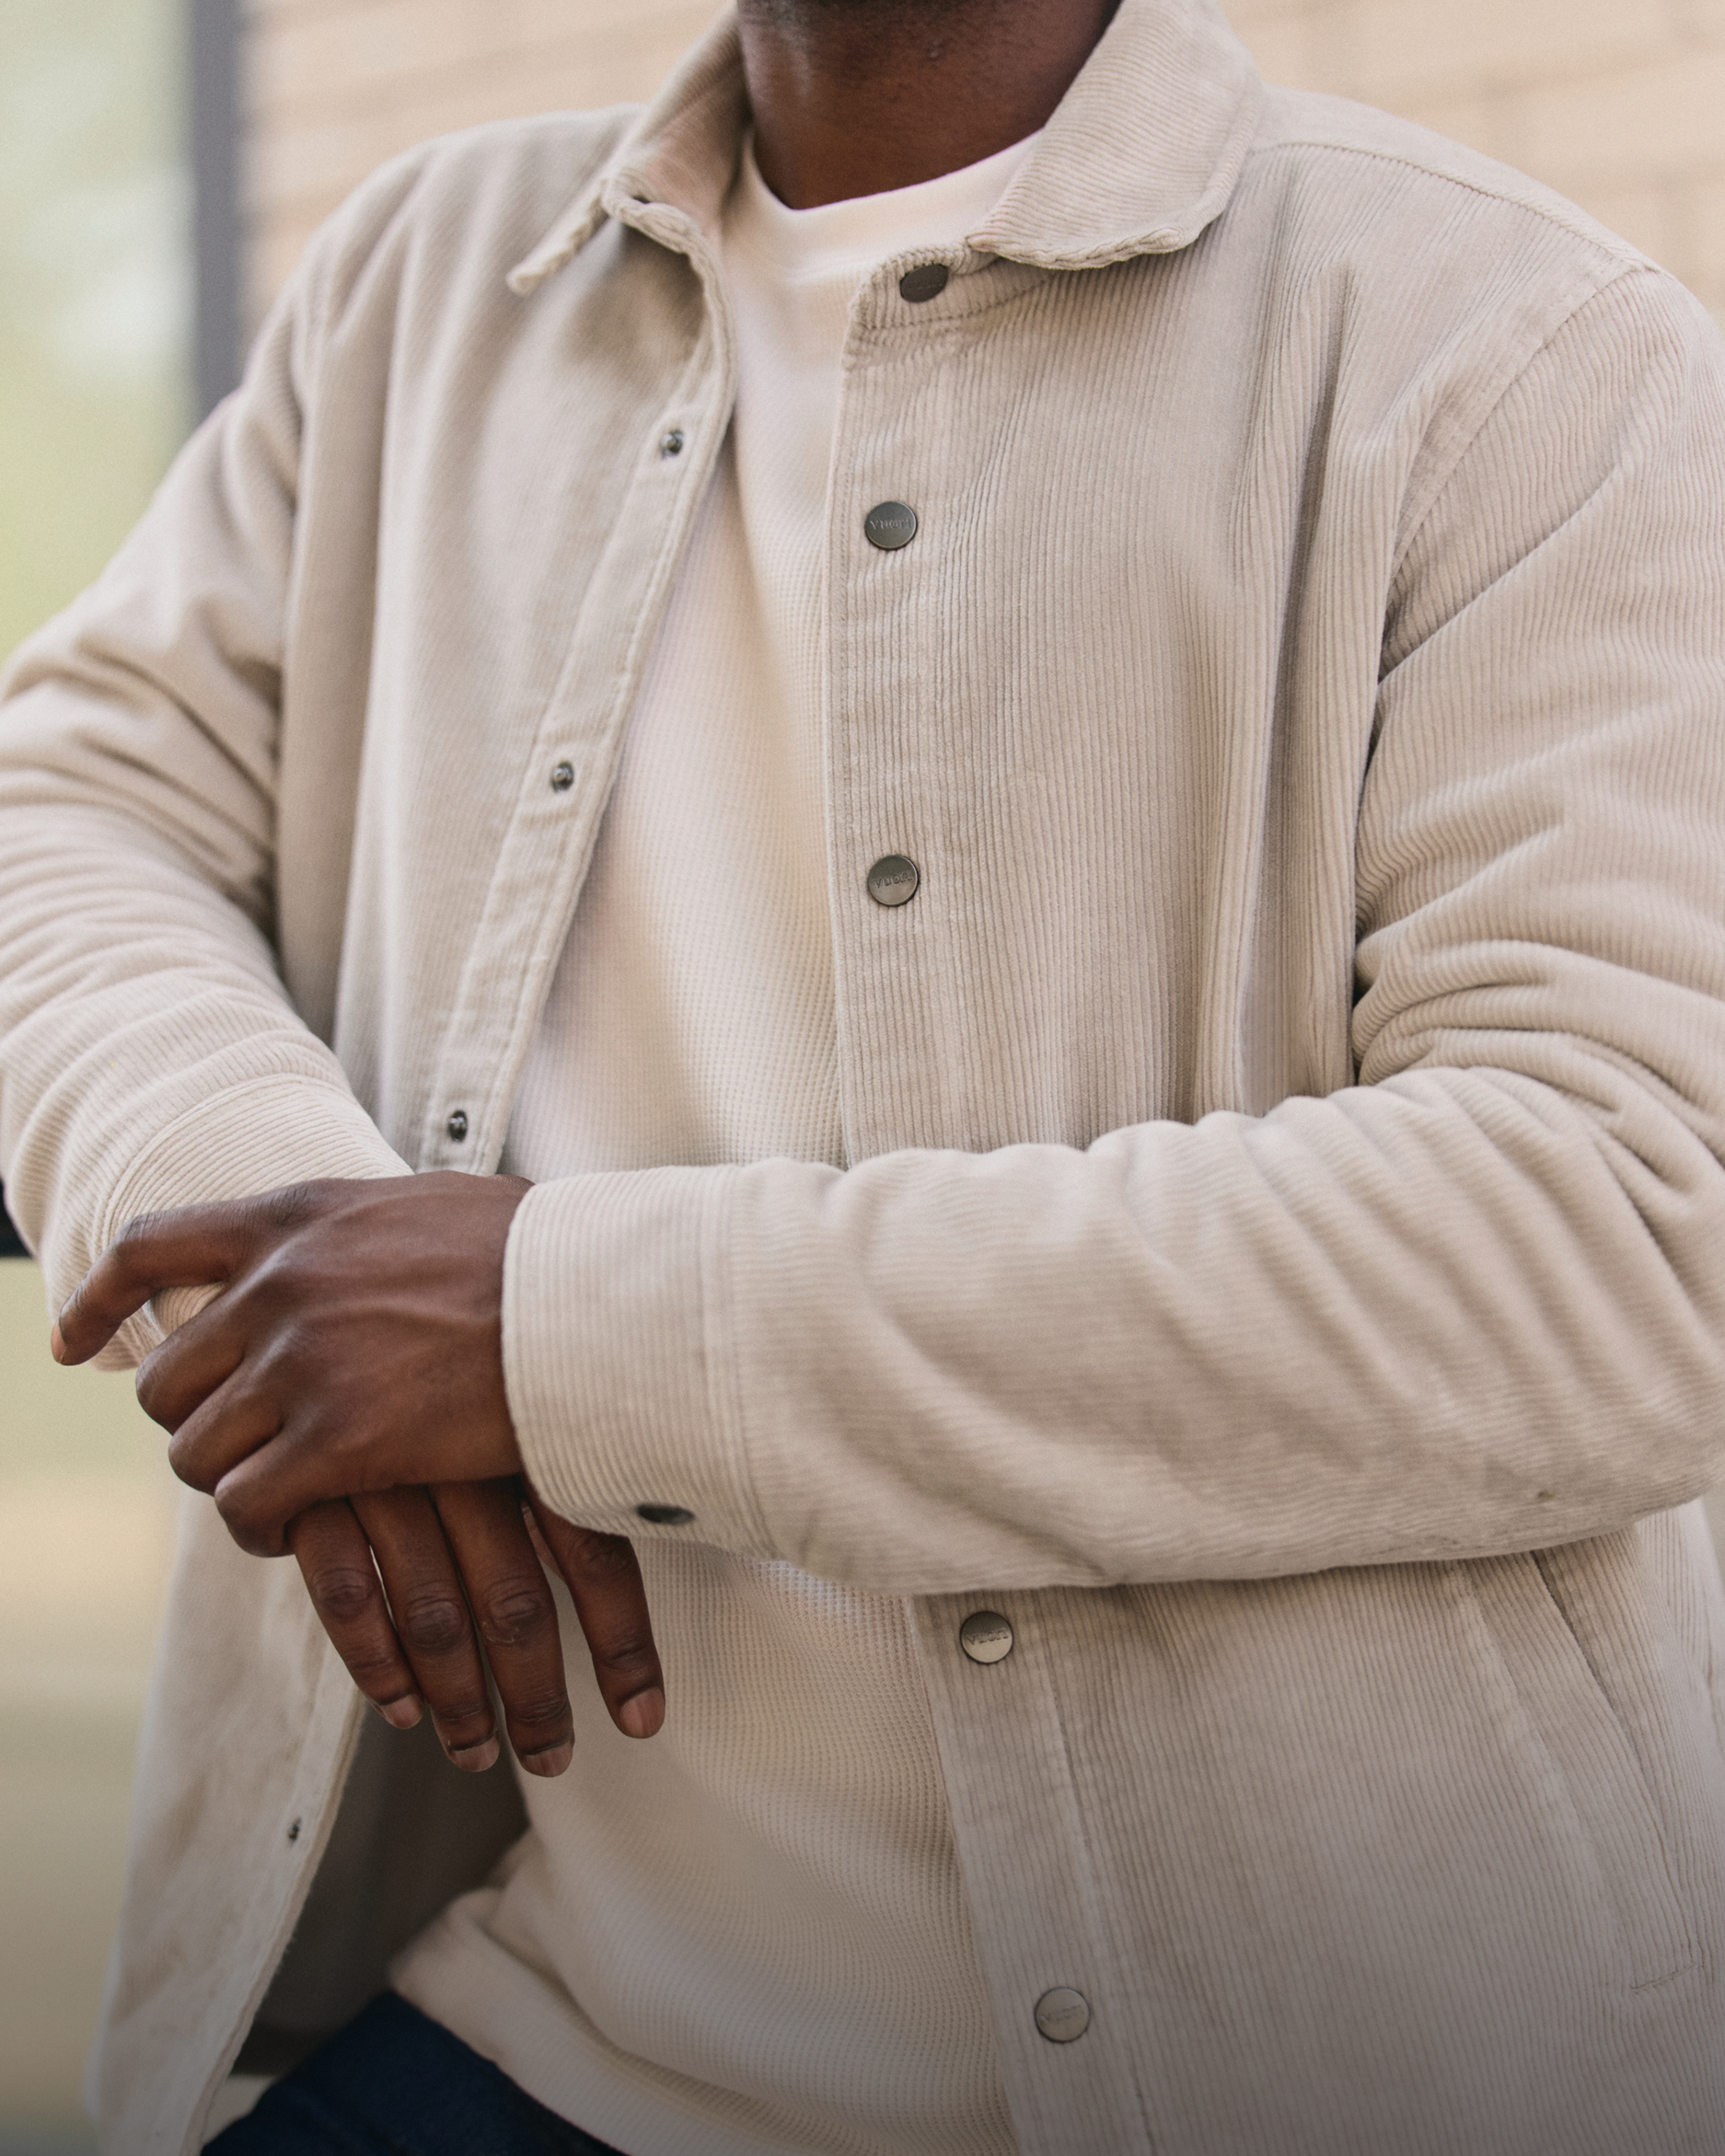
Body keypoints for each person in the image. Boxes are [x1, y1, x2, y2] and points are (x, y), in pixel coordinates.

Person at [5, 0, 1725, 2145]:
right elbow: (66, 805)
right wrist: (285, 1231)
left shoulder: (1526, 345)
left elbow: (1621, 1237)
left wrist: (546, 1327)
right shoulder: (418, 282)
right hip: (556, 2034)